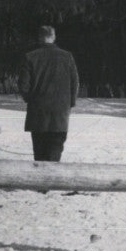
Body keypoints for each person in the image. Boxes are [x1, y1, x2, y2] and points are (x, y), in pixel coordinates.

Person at [18, 25, 80, 162]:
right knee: (55, 154)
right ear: (54, 37)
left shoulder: (30, 57)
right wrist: (70, 103)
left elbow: (23, 85)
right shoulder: (67, 57)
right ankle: (53, 181)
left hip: (38, 112)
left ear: (40, 38)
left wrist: (32, 99)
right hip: (60, 113)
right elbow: (74, 83)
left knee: (39, 154)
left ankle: (40, 181)